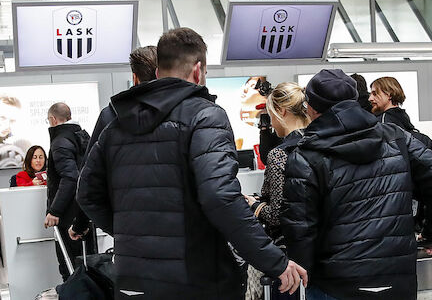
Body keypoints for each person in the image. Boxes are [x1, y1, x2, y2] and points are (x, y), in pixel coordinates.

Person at [77, 27, 307, 299]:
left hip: (132, 278)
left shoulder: (117, 123)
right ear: (198, 71)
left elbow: (87, 194)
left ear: (159, 71)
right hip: (195, 278)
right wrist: (274, 261)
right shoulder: (206, 117)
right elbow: (220, 196)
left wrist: (132, 234)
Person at [281, 68, 432, 300]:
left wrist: (304, 270)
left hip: (336, 282)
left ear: (311, 108)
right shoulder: (397, 137)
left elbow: (300, 224)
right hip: (396, 277)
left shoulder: (304, 156)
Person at [69, 45, 158, 241]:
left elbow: (88, 180)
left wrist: (116, 228)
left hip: (129, 231)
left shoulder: (111, 116)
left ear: (134, 77)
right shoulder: (184, 112)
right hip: (179, 235)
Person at [243, 82, 310, 299]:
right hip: (321, 250)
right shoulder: (322, 145)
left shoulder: (280, 155)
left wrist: (254, 205)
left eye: (271, 114)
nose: (270, 122)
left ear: (281, 111)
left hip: (289, 256)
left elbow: (277, 216)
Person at [45, 102, 95, 281]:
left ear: (52, 119)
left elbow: (70, 178)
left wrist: (54, 210)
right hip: (85, 212)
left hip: (68, 216)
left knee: (69, 268)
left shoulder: (59, 143)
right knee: (89, 266)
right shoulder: (84, 137)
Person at [369, 76, 432, 152]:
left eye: (375, 94)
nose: (370, 98)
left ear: (389, 95)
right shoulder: (403, 120)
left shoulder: (383, 123)